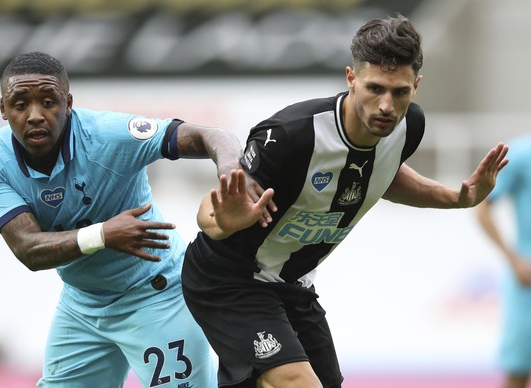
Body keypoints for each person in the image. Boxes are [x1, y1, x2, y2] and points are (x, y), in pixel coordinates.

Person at [180, 14, 509, 388]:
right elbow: (211, 214)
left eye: (400, 92)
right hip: (227, 278)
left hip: (292, 283)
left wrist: (456, 198)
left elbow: (383, 176)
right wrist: (226, 220)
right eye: (375, 88)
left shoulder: (409, 127)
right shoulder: (291, 135)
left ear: (416, 86)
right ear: (351, 79)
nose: (387, 105)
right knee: (296, 381)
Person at [0, 51, 247, 387]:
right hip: (83, 305)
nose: (35, 115)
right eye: (20, 104)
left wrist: (231, 169)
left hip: (155, 294)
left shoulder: (109, 135)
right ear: (3, 109)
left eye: (48, 102)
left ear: (68, 103)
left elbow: (212, 135)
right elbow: (28, 248)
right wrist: (103, 234)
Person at [477, 135, 531, 388]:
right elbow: (483, 207)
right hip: (527, 282)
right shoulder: (522, 154)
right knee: (518, 368)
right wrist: (513, 259)